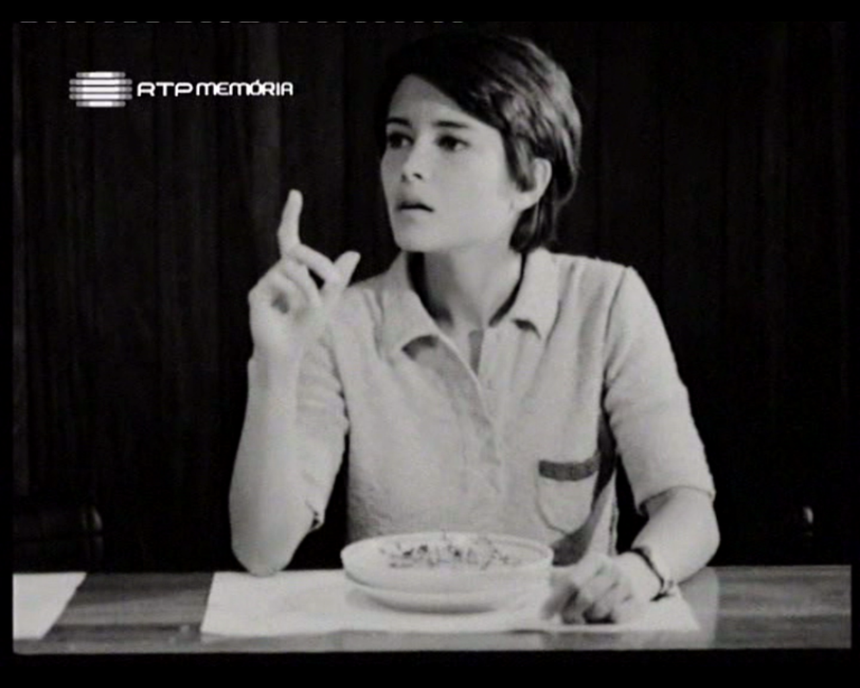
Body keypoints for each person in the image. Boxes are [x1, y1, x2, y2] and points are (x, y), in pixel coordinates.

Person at [229, 31, 719, 624]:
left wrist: (638, 571)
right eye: (398, 139)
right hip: (396, 641)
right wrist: (275, 365)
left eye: (451, 141)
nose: (410, 167)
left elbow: (689, 508)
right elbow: (261, 550)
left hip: (561, 638)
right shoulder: (343, 321)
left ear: (529, 182)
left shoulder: (607, 301)